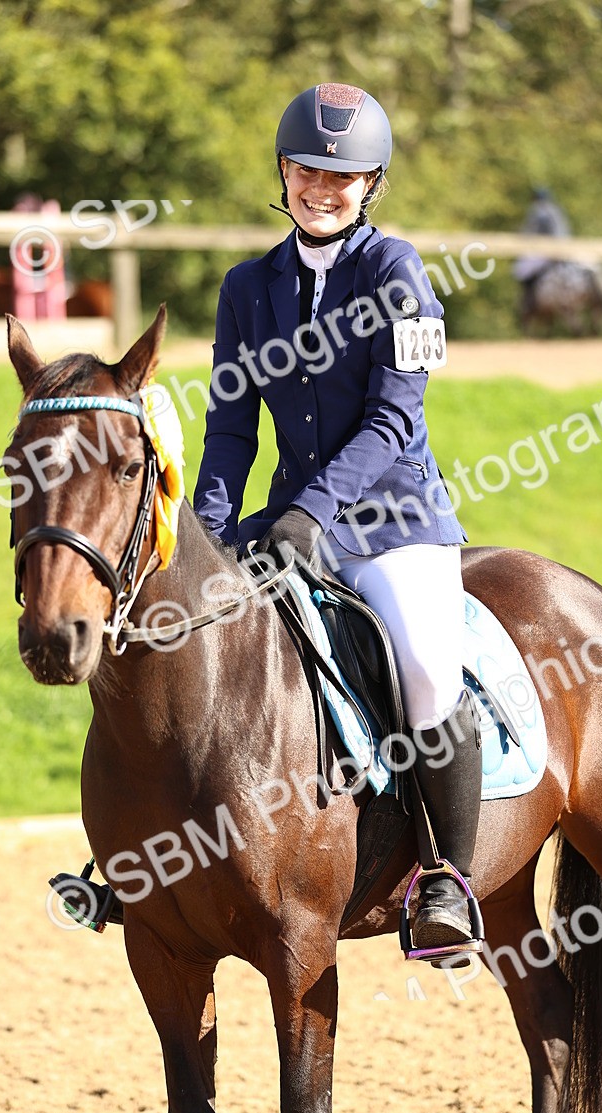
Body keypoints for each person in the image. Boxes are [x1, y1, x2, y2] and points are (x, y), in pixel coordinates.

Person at [192, 83, 483, 958]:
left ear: (372, 185)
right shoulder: (247, 288)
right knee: (183, 637)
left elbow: (395, 420)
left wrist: (311, 512)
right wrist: (207, 534)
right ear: (282, 172)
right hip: (289, 520)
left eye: (344, 175)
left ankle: (450, 882)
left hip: (394, 518)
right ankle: (155, 866)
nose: (323, 187)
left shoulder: (397, 273)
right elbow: (231, 424)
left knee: (429, 666)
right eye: (307, 169)